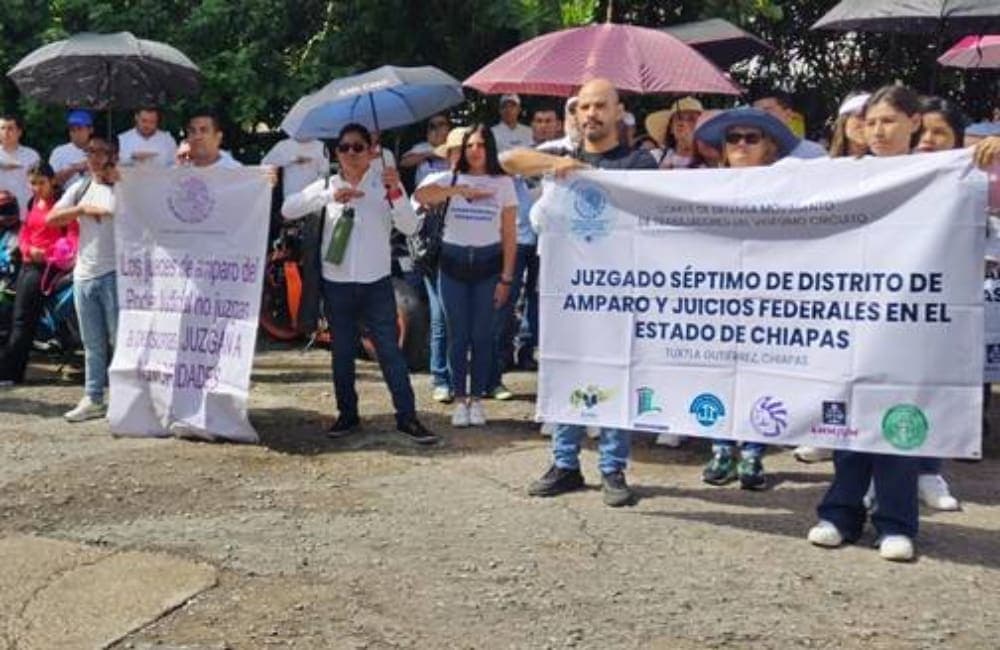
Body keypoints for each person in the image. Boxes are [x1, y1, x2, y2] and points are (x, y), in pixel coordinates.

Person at [504, 78, 657, 507]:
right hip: (567, 293)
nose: (591, 114)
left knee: (616, 374)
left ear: (618, 111)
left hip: (618, 292)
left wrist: (592, 176)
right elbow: (508, 159)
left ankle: (612, 467)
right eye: (584, 106)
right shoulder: (561, 155)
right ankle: (565, 463)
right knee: (565, 369)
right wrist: (558, 165)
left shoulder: (638, 162)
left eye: (600, 105)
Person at [808, 85, 927, 562]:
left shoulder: (939, 173)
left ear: (914, 122)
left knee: (898, 420)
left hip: (905, 318)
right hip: (851, 314)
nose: (878, 131)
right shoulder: (846, 175)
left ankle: (896, 523)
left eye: (889, 121)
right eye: (871, 122)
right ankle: (841, 514)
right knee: (849, 417)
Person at [282, 123, 437, 445]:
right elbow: (288, 208)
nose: (351, 153)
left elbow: (410, 227)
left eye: (357, 147)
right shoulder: (327, 183)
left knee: (390, 352)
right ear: (336, 153)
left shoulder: (384, 183)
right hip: (336, 284)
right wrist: (329, 196)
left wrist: (396, 192)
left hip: (375, 283)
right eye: (344, 147)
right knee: (342, 354)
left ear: (370, 151)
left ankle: (407, 417)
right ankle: (347, 415)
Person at [692, 107, 802, 489]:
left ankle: (754, 452)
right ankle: (721, 449)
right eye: (733, 138)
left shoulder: (788, 185)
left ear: (768, 147)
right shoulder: (703, 187)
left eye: (751, 138)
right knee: (718, 373)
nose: (741, 144)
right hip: (717, 297)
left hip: (767, 296)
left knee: (761, 375)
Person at [414, 125, 517, 427]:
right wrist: (458, 190)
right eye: (469, 145)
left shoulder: (503, 182)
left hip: (488, 265)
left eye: (481, 145)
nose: (475, 150)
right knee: (457, 336)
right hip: (452, 264)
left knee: (483, 336)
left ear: (490, 148)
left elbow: (509, 234)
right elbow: (421, 195)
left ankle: (478, 400)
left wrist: (507, 278)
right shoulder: (448, 178)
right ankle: (460, 399)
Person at [47, 137, 118, 422]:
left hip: (115, 273)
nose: (95, 158)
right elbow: (52, 218)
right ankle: (93, 397)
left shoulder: (125, 188)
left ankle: (125, 399)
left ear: (113, 155)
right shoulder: (81, 187)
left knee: (119, 341)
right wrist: (81, 210)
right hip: (84, 273)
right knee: (92, 343)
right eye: (90, 152)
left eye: (102, 152)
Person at [0, 165, 77, 386]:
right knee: (18, 317)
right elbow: (26, 231)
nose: (37, 188)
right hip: (28, 263)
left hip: (47, 267)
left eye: (41, 183)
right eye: (33, 183)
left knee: (22, 320)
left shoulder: (63, 205)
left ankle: (10, 373)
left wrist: (47, 254)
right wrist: (27, 249)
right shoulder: (33, 202)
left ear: (52, 181)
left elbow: (72, 236)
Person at [416, 125, 468, 404]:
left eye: (468, 149)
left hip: (469, 259)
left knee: (461, 321)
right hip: (436, 258)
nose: (464, 155)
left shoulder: (486, 183)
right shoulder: (436, 179)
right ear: (449, 154)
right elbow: (414, 209)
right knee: (440, 318)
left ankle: (457, 378)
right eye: (458, 150)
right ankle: (440, 378)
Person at [262, 135, 330, 335]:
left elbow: (325, 175)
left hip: (316, 207)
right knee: (307, 262)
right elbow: (265, 166)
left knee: (318, 260)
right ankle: (305, 319)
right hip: (290, 209)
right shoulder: (284, 146)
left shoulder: (320, 146)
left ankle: (317, 315)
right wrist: (286, 163)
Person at [751, 90, 827, 159]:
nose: (760, 116)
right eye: (756, 112)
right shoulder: (748, 154)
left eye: (767, 110)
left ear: (788, 114)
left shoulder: (812, 153)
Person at [0, 114, 41, 220]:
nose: (5, 132)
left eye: (10, 128)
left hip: (26, 215)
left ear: (19, 132)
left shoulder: (32, 155)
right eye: (2, 128)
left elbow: (39, 185)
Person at [645, 97, 704, 169]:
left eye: (691, 119)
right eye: (678, 119)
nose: (683, 123)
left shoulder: (710, 159)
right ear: (671, 129)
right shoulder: (655, 157)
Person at [401, 114, 452, 188]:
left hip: (448, 190)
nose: (437, 128)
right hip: (424, 190)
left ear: (448, 128)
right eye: (432, 126)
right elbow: (404, 162)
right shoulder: (422, 147)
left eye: (441, 124)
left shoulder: (455, 145)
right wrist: (429, 154)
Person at [49, 110, 93, 189]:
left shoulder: (99, 151)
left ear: (90, 130)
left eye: (80, 129)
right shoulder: (59, 152)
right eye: (72, 130)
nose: (76, 133)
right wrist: (74, 169)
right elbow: (52, 182)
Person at [827, 92, 870, 158]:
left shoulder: (884, 161)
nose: (866, 123)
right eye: (860, 116)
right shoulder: (820, 161)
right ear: (844, 121)